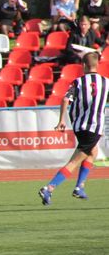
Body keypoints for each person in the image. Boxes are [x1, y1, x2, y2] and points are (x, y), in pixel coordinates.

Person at [39, 52, 109, 206]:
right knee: (75, 161)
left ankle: (79, 187)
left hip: (79, 126)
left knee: (93, 152)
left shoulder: (77, 82)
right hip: (93, 127)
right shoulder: (106, 82)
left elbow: (65, 99)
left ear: (83, 65)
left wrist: (61, 120)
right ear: (97, 65)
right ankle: (49, 188)